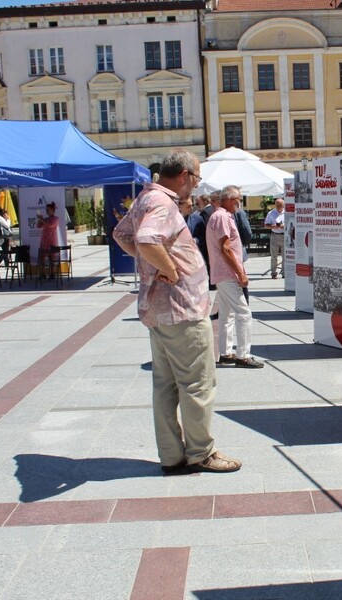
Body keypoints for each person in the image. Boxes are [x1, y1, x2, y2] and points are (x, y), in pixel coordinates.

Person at [112, 150, 242, 474]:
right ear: (184, 175)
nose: (196, 188)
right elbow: (144, 239)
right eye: (196, 180)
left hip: (160, 310)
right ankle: (201, 453)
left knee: (166, 385)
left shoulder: (146, 197)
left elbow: (122, 235)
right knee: (198, 383)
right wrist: (167, 268)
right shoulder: (162, 202)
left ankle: (171, 455)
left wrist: (151, 265)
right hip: (181, 309)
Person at [206, 185, 263, 369]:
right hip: (228, 273)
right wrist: (240, 272)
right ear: (231, 200)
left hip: (222, 273)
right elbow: (226, 248)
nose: (239, 204)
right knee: (244, 314)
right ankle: (243, 356)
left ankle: (226, 353)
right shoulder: (222, 217)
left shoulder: (218, 215)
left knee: (226, 315)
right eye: (238, 200)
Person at [232, 195, 252, 304]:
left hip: (238, 250)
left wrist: (242, 244)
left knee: (240, 277)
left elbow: (247, 232)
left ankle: (245, 301)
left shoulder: (239, 213)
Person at [264, 198, 285, 279]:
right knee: (274, 256)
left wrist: (284, 226)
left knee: (285, 256)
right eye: (277, 205)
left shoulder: (287, 212)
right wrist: (275, 226)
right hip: (275, 235)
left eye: (280, 205)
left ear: (283, 205)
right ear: (275, 205)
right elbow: (266, 225)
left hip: (284, 235)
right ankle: (273, 272)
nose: (279, 206)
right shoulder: (271, 213)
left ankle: (284, 272)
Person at [36, 201, 60, 273]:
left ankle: (52, 273)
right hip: (44, 239)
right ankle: (42, 273)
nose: (47, 211)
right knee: (42, 256)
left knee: (51, 257)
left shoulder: (55, 219)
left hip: (52, 239)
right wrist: (40, 219)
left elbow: (50, 225)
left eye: (48, 209)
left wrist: (42, 220)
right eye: (46, 209)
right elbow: (38, 226)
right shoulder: (46, 218)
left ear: (53, 210)